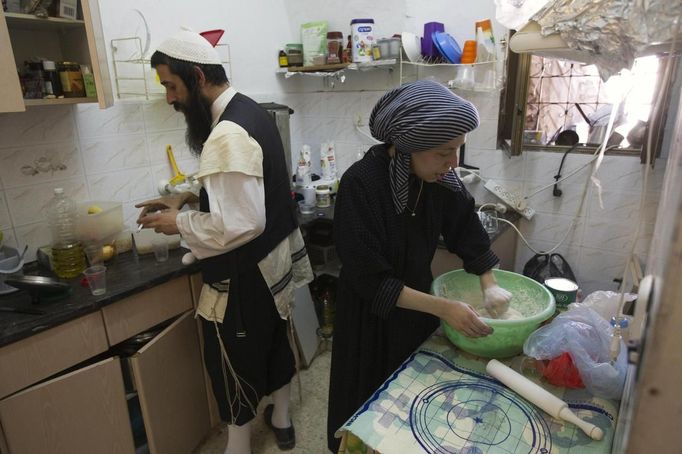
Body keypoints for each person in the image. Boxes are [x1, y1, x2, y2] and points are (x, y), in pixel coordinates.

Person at [136, 27, 313, 454]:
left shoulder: (226, 135)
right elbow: (253, 193)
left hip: (245, 274)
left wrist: (179, 222)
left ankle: (237, 447)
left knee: (231, 362)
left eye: (171, 86)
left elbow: (241, 224)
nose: (169, 99)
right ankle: (283, 421)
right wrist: (190, 198)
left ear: (196, 76)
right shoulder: (248, 109)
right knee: (275, 347)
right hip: (274, 262)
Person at [326, 80, 512, 452]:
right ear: (409, 145)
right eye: (444, 152)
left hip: (416, 308)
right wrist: (446, 308)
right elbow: (370, 280)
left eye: (458, 150)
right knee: (367, 409)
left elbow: (465, 228)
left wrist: (489, 283)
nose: (453, 163)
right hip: (368, 316)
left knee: (411, 407)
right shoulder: (361, 185)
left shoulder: (442, 180)